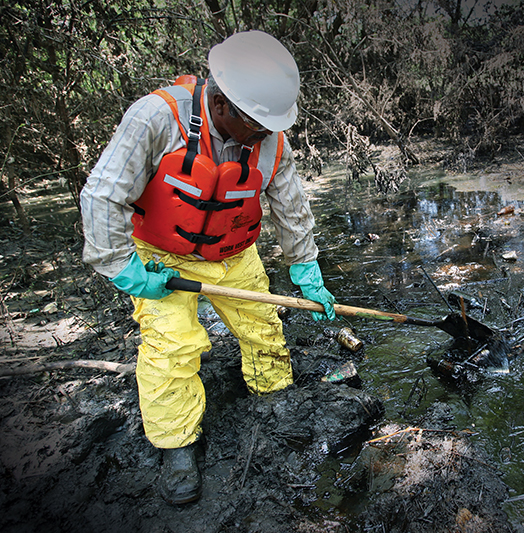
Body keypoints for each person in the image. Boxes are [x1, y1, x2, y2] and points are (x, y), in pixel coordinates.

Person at [79, 31, 337, 505]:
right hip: (162, 256)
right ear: (221, 105)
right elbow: (101, 195)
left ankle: (273, 398)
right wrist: (124, 267)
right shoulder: (156, 118)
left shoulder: (270, 141)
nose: (263, 135)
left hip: (234, 253)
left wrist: (306, 270)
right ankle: (177, 445)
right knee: (171, 347)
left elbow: (292, 208)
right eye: (256, 126)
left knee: (263, 329)